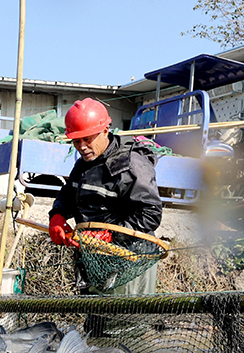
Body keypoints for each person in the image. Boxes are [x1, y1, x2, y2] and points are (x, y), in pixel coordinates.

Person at [49, 98, 163, 295]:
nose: (82, 146)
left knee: (124, 321)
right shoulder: (84, 163)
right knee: (95, 319)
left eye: (87, 139)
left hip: (129, 260)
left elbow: (150, 213)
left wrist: (112, 235)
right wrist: (57, 215)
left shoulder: (131, 164)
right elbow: (69, 193)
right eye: (76, 141)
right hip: (95, 258)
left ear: (105, 131)